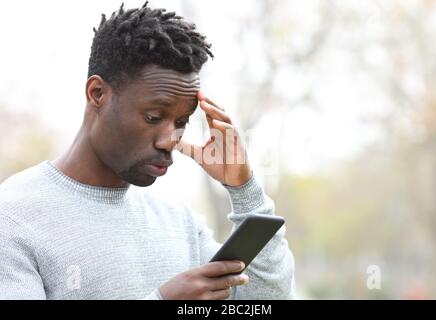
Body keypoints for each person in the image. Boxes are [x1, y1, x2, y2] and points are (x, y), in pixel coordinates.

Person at [0, 2, 295, 299]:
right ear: (97, 93)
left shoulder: (178, 220)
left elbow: (265, 301)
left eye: (181, 122)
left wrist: (244, 190)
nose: (171, 140)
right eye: (154, 117)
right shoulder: (13, 217)